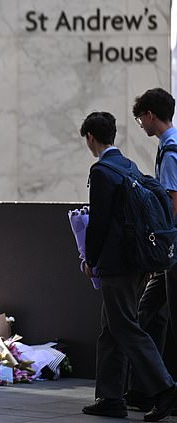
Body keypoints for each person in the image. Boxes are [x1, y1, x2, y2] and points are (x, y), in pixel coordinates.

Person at [80, 111, 177, 421]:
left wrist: (90, 260)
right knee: (111, 327)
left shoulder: (102, 172)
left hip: (116, 264)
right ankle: (110, 397)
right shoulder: (128, 166)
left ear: (90, 138)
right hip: (136, 261)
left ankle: (164, 389)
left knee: (124, 326)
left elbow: (98, 224)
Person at [127, 88, 177, 413]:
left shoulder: (171, 152)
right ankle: (148, 389)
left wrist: (160, 245)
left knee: (160, 315)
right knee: (147, 314)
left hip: (172, 250)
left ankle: (163, 392)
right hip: (169, 252)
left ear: (150, 115)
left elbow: (172, 204)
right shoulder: (169, 147)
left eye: (140, 118)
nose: (140, 125)